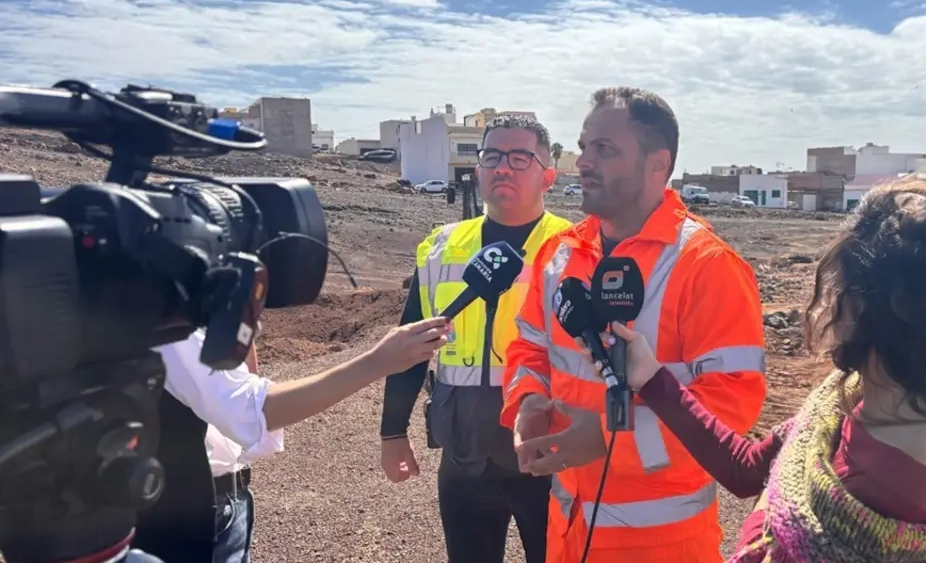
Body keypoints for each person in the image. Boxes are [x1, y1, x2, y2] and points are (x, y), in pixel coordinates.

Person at [587, 179, 926, 562]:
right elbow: (748, 469)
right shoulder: (854, 401)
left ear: (858, 309)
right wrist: (652, 378)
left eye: (834, 290)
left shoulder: (893, 486)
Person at [501, 86, 767, 563]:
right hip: (567, 533)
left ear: (657, 165)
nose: (582, 162)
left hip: (661, 546)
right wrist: (527, 402)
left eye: (605, 150)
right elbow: (529, 348)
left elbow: (728, 412)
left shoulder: (707, 267)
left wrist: (604, 442)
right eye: (582, 148)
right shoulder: (558, 256)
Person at [379, 114, 572, 563]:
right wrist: (392, 432)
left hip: (549, 455)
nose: (503, 167)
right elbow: (411, 347)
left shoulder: (576, 248)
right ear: (478, 169)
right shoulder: (442, 248)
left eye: (520, 157)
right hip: (464, 457)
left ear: (548, 175)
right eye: (492, 156)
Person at [138, 317, 450, 563]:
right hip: (189, 517)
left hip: (222, 502)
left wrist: (237, 318)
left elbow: (245, 392)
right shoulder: (167, 321)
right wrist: (379, 361)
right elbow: (256, 409)